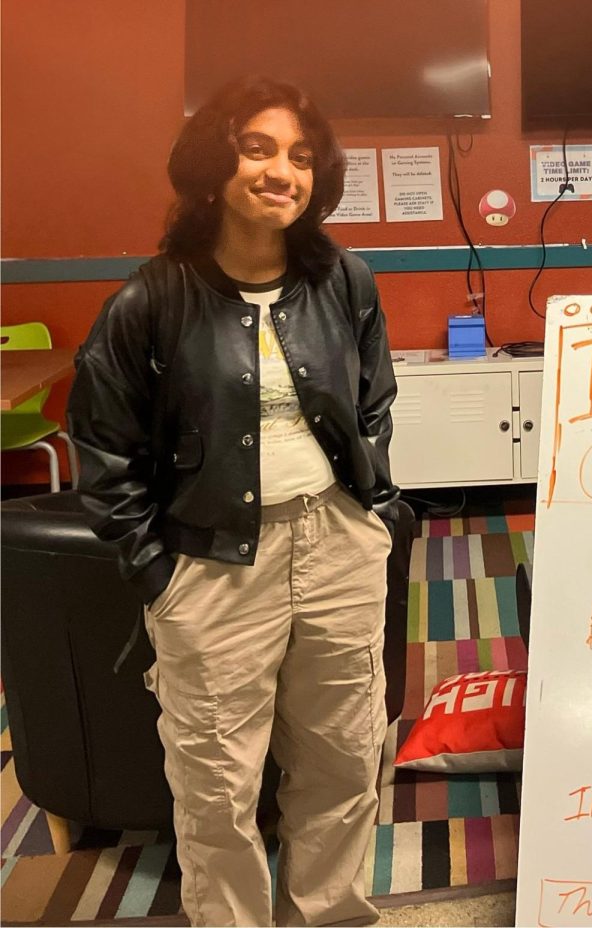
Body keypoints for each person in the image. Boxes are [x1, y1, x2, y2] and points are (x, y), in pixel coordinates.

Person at [68, 77, 400, 927]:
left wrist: (376, 515)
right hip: (209, 566)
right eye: (257, 148)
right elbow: (103, 450)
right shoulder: (151, 300)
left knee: (343, 759)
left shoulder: (346, 282)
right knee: (216, 786)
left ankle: (330, 914)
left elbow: (373, 405)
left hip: (337, 542)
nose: (281, 170)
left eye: (299, 155)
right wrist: (158, 574)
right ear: (215, 165)